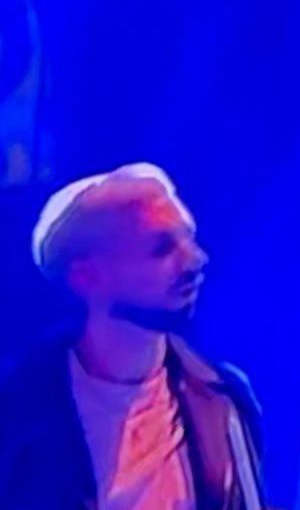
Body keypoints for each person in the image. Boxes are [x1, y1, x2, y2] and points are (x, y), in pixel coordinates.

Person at [0, 163, 269, 510]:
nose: (195, 260)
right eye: (162, 249)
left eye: (189, 238)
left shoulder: (224, 397)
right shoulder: (17, 410)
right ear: (87, 277)